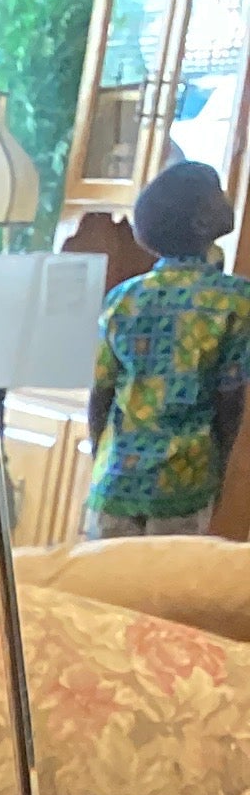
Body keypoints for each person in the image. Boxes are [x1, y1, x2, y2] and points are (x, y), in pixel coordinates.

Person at [86, 155, 250, 537]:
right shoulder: (235, 300)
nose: (228, 197)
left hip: (115, 480)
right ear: (202, 223)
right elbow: (230, 400)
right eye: (218, 192)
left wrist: (101, 457)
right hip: (185, 482)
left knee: (104, 573)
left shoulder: (124, 297)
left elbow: (101, 393)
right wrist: (221, 468)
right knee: (169, 575)